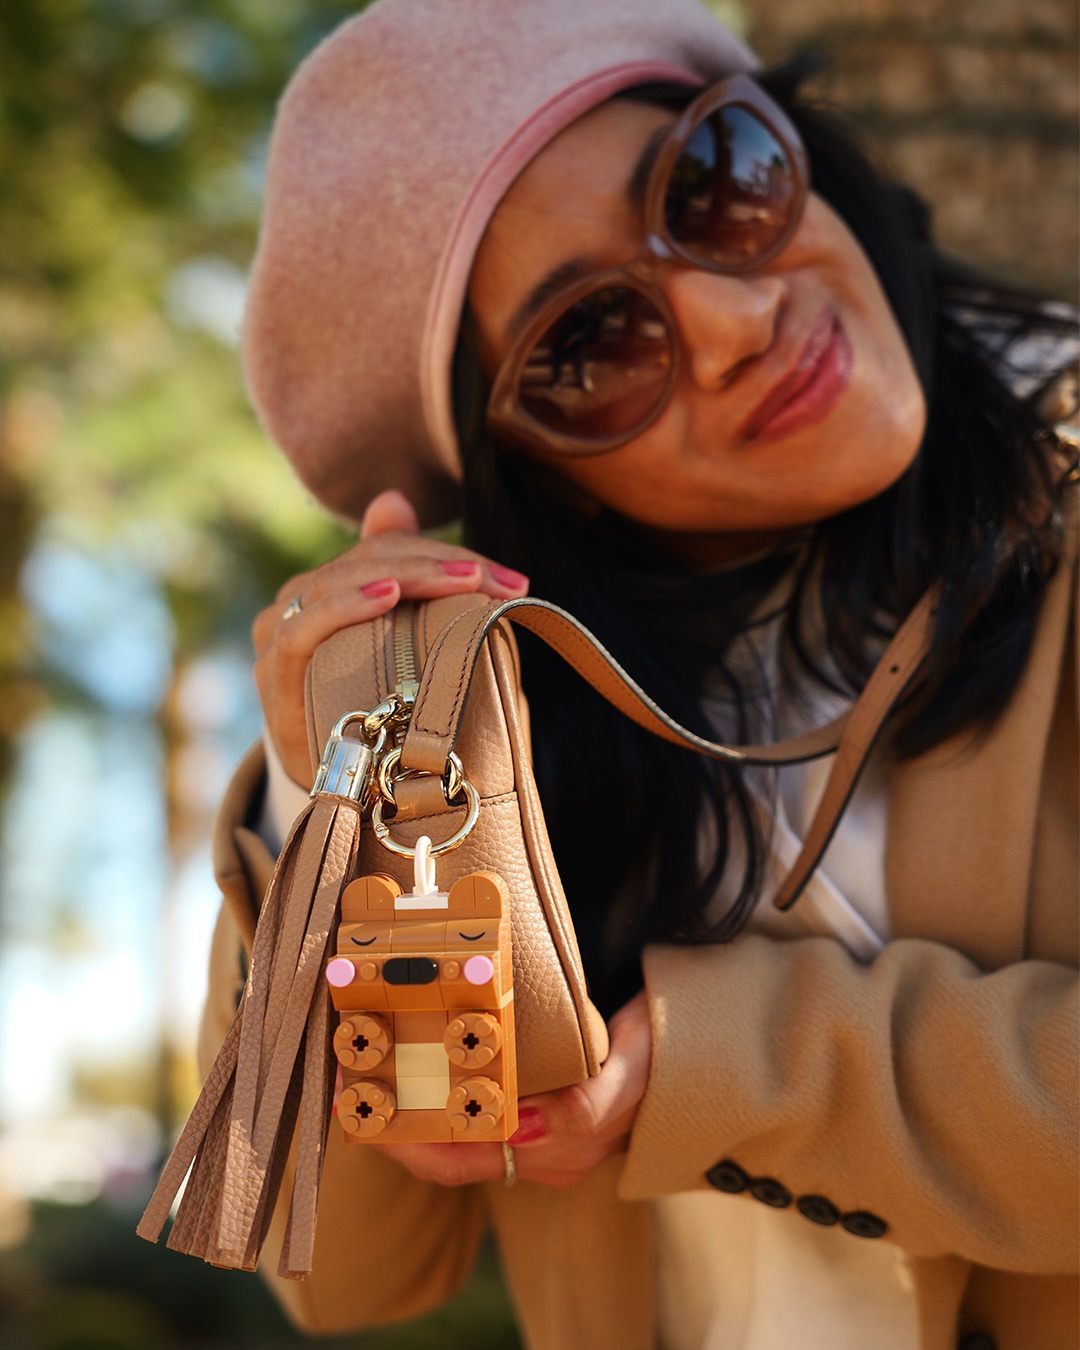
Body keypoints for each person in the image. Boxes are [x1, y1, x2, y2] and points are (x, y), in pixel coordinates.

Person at [198, 0, 1079, 1346]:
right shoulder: (499, 756)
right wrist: (323, 819)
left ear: (799, 151)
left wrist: (719, 1064)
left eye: (719, 183)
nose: (735, 316)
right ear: (541, 484)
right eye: (590, 345)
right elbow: (347, 1278)